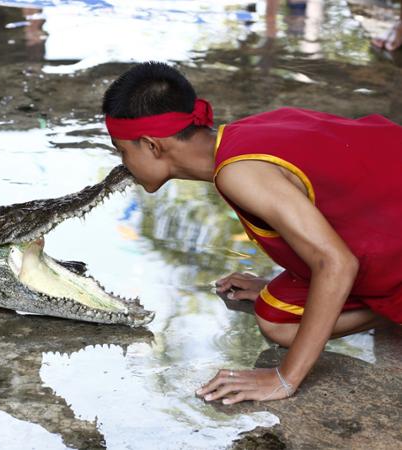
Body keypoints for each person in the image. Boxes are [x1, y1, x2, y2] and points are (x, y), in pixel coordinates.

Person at [102, 62, 401, 404]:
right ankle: (382, 302)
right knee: (274, 309)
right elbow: (344, 200)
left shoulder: (239, 173)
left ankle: (389, 303)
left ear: (153, 146)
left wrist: (284, 378)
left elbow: (336, 261)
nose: (123, 163)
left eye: (122, 150)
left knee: (281, 326)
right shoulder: (242, 134)